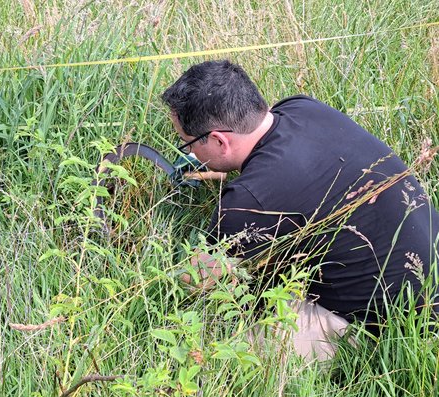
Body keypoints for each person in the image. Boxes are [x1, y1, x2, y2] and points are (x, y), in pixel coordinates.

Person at [161, 60, 438, 361]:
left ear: (218, 140)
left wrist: (166, 268)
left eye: (186, 143)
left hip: (400, 328)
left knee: (231, 350)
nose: (189, 153)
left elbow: (199, 278)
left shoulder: (248, 201)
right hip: (430, 266)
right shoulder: (302, 107)